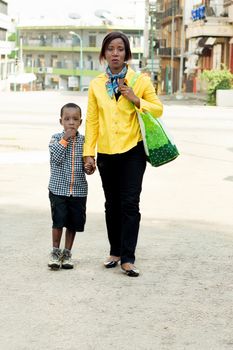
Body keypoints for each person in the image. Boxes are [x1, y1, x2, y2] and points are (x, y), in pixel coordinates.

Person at [83, 32, 163, 277]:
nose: (115, 53)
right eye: (110, 49)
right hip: (106, 152)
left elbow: (158, 109)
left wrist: (136, 99)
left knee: (130, 203)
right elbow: (93, 121)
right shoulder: (97, 84)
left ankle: (128, 258)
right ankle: (114, 252)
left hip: (133, 151)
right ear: (104, 54)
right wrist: (89, 153)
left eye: (120, 49)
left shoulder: (139, 80)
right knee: (112, 204)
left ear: (127, 53)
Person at [48, 102, 92, 270]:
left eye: (75, 119)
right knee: (58, 222)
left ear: (81, 121)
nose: (71, 122)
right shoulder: (55, 138)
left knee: (73, 224)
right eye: (67, 119)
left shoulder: (84, 141)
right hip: (58, 190)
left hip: (79, 191)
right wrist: (65, 139)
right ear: (61, 121)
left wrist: (90, 167)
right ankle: (55, 251)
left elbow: (87, 166)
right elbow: (56, 158)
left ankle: (67, 253)